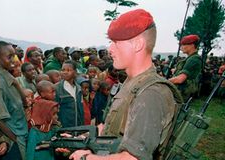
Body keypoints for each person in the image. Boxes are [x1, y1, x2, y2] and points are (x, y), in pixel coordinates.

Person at [69, 9, 181, 160]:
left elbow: (133, 158)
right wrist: (76, 140)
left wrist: (87, 158)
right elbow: (109, 127)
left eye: (116, 42)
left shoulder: (151, 93)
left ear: (138, 45)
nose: (110, 49)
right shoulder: (132, 83)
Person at [0, 41, 28, 160]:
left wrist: (17, 84)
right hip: (14, 141)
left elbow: (24, 102)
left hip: (21, 133)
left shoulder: (9, 77)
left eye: (14, 56)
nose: (14, 60)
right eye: (9, 57)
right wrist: (14, 139)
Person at [26, 80, 60, 160]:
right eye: (54, 114)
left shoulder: (51, 128)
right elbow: (30, 152)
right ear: (45, 114)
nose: (57, 117)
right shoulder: (35, 131)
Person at [169, 34, 202, 100]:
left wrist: (164, 81)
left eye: (184, 44)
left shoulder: (193, 59)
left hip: (181, 93)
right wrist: (176, 71)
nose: (181, 47)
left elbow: (180, 79)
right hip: (179, 91)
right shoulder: (190, 58)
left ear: (192, 45)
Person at [55, 60, 84, 127]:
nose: (65, 72)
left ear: (75, 72)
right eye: (63, 70)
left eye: (68, 70)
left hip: (78, 126)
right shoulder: (57, 88)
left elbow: (81, 109)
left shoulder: (78, 88)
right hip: (64, 127)